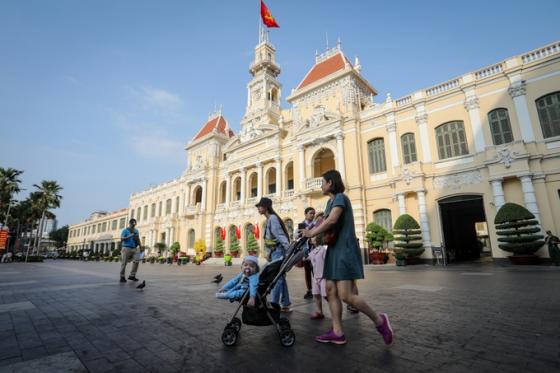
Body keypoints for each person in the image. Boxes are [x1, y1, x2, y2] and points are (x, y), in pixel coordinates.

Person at [303, 170, 393, 345]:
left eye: (322, 182)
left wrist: (311, 232)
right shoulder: (329, 202)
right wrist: (316, 237)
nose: (320, 185)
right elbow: (328, 227)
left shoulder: (340, 198)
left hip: (345, 250)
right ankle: (337, 332)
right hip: (334, 250)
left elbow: (332, 221)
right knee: (330, 289)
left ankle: (380, 321)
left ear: (330, 183)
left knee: (345, 295)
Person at [256, 197, 292, 312]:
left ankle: (274, 303)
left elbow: (280, 236)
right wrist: (270, 253)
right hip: (275, 251)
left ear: (266, 207)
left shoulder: (272, 219)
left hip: (279, 251)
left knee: (276, 278)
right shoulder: (270, 219)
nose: (258, 208)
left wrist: (288, 251)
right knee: (280, 277)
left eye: (260, 206)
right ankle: (285, 304)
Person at [297, 207, 316, 300]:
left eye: (313, 213)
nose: (312, 215)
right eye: (310, 213)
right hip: (305, 251)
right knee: (307, 271)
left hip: (315, 251)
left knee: (316, 271)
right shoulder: (301, 225)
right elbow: (298, 237)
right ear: (305, 214)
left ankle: (318, 289)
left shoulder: (316, 225)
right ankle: (309, 290)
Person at [308, 234, 327, 319]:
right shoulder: (313, 250)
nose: (311, 238)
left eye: (313, 237)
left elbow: (327, 262)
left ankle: (335, 310)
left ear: (317, 239)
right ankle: (319, 311)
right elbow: (307, 258)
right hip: (315, 276)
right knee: (316, 294)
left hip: (323, 276)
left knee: (326, 295)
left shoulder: (323, 250)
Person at [120, 218, 141, 283]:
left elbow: (138, 239)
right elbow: (122, 238)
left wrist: (141, 246)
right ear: (130, 223)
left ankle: (132, 275)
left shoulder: (136, 231)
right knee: (124, 263)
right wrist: (128, 236)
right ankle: (122, 277)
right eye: (132, 223)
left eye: (135, 224)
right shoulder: (125, 230)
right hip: (126, 248)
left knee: (136, 261)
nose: (133, 225)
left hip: (134, 248)